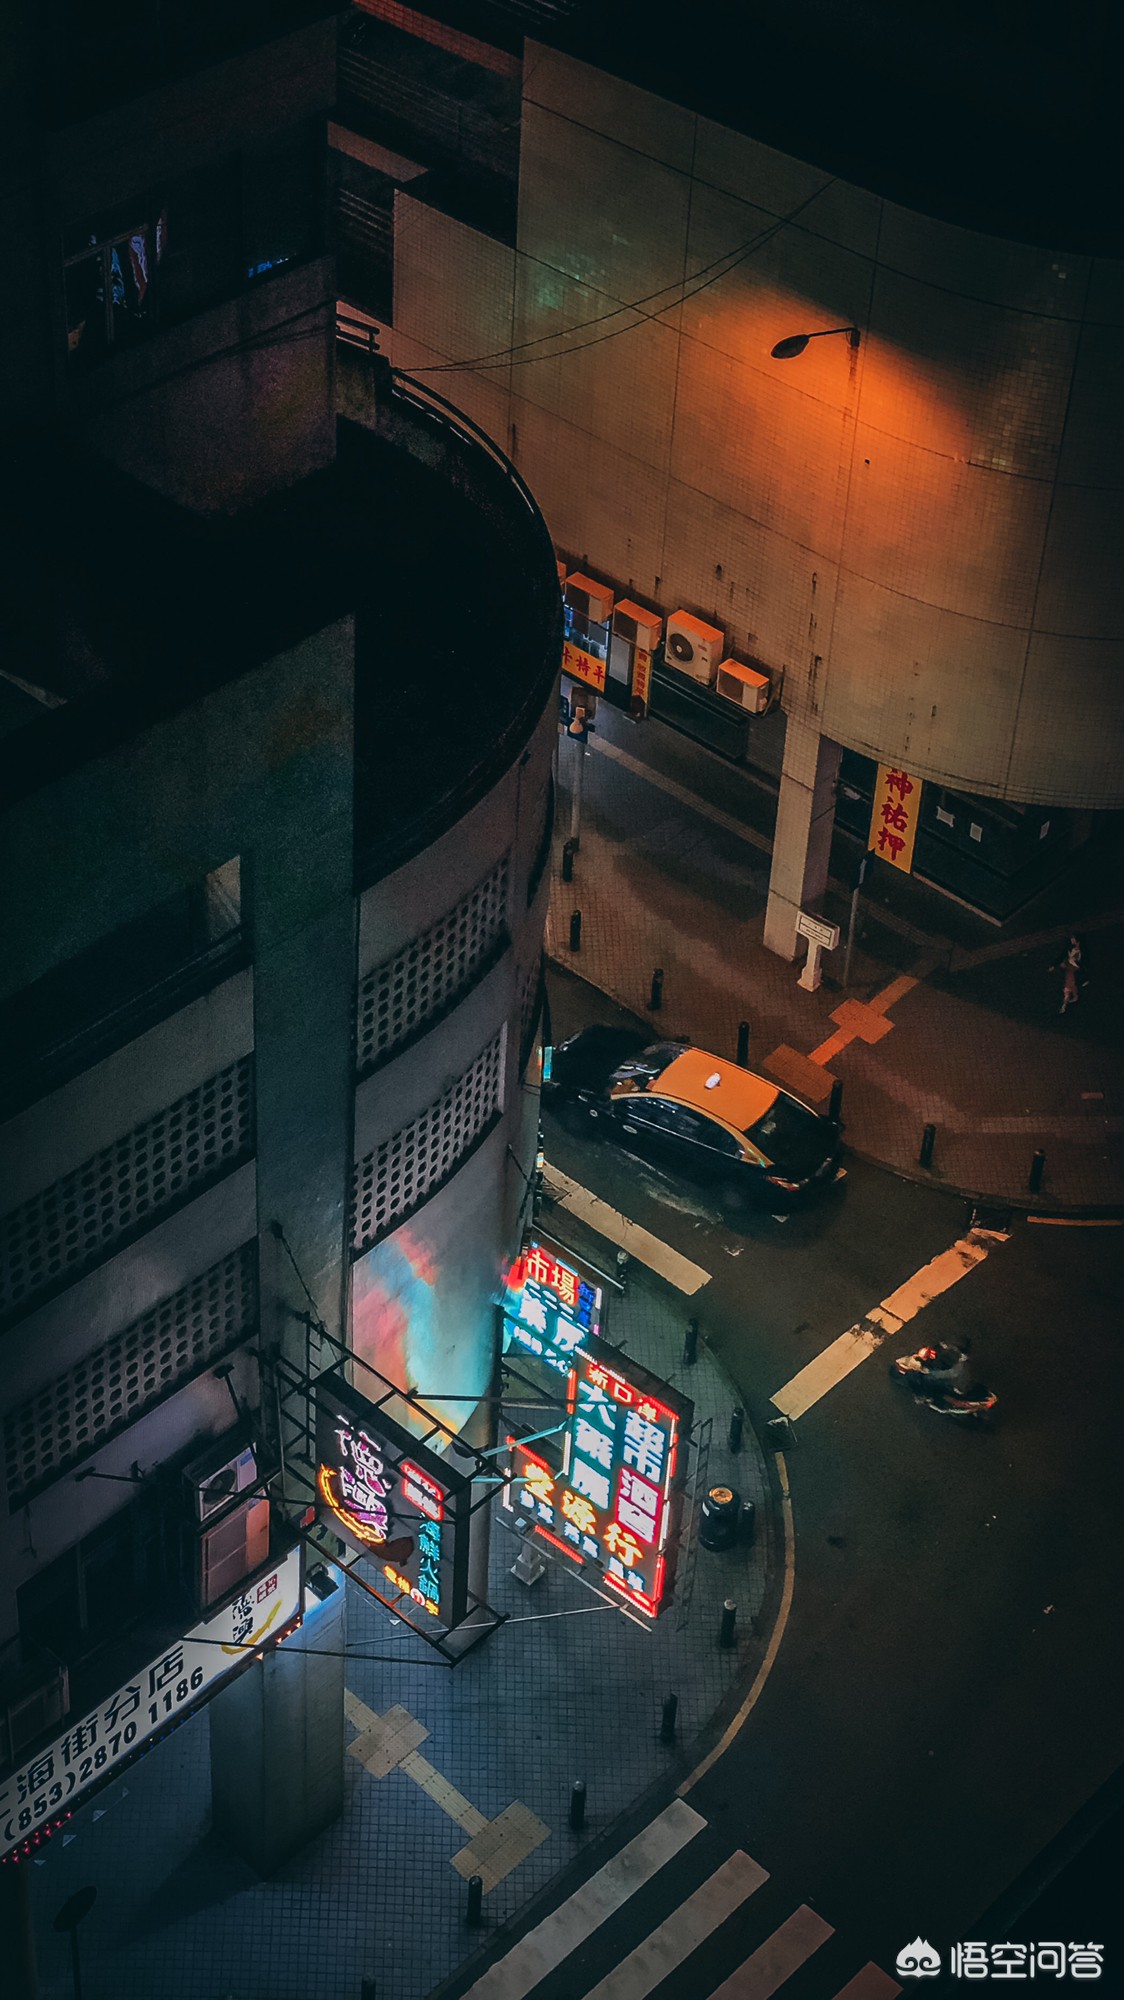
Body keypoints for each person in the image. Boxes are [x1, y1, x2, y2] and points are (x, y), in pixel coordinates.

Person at [1052, 934, 1083, 1014]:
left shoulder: (1078, 950)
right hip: (1071, 971)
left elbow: (1075, 961)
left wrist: (1069, 962)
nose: (1072, 941)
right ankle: (1069, 1001)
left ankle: (1066, 1004)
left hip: (1072, 971)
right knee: (1070, 987)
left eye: (1073, 939)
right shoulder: (1073, 949)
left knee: (1069, 988)